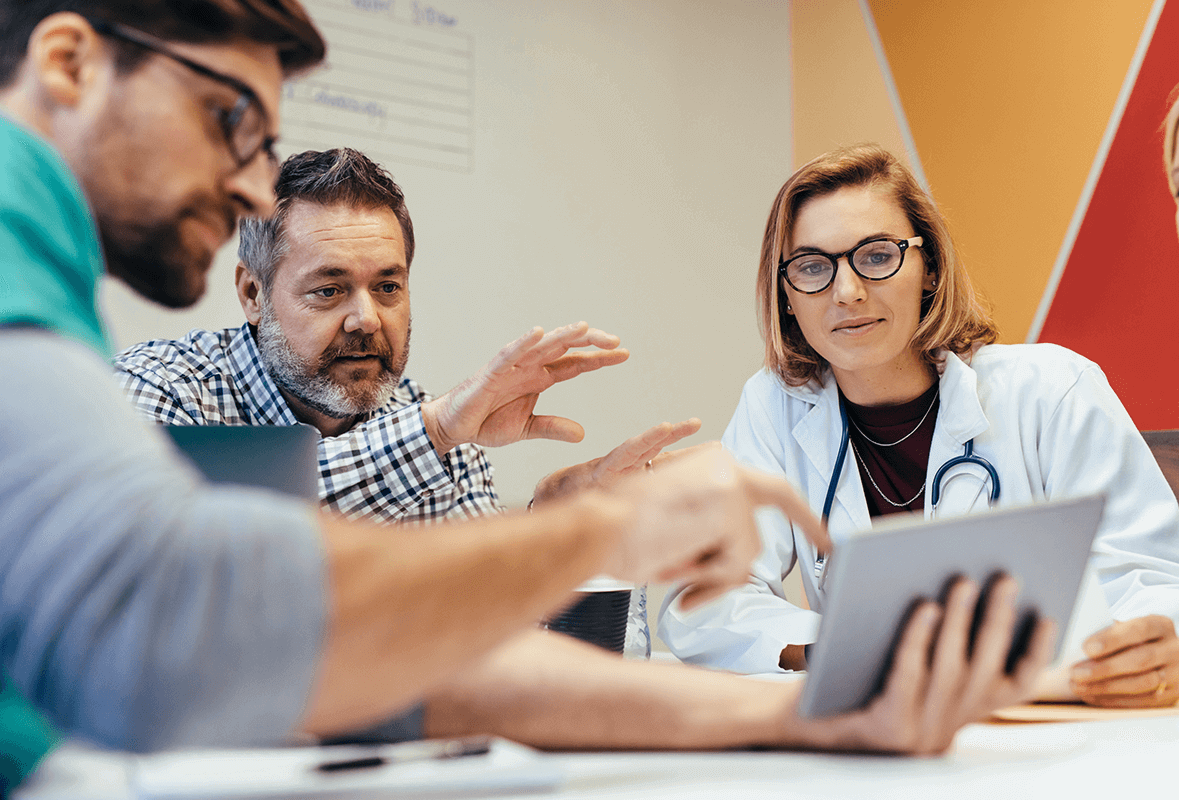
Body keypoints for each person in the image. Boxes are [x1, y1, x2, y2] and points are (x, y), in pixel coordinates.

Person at [0, 2, 1051, 787]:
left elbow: (433, 653)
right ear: (67, 61)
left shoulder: (51, 285)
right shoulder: (49, 289)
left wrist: (810, 718)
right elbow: (198, 605)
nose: (244, 181)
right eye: (229, 119)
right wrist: (587, 530)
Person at [659, 143, 1179, 709]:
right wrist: (845, 651)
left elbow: (1161, 584)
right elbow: (706, 600)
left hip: (1055, 729)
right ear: (787, 296)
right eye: (813, 268)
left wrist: (1149, 650)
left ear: (929, 269)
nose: (846, 292)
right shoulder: (775, 406)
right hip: (878, 742)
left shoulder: (1052, 390)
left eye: (876, 255)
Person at [112, 146, 701, 531]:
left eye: (388, 287)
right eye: (329, 290)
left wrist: (556, 515)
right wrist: (435, 431)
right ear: (251, 294)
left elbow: (480, 617)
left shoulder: (427, 418)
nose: (366, 319)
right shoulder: (159, 392)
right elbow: (193, 562)